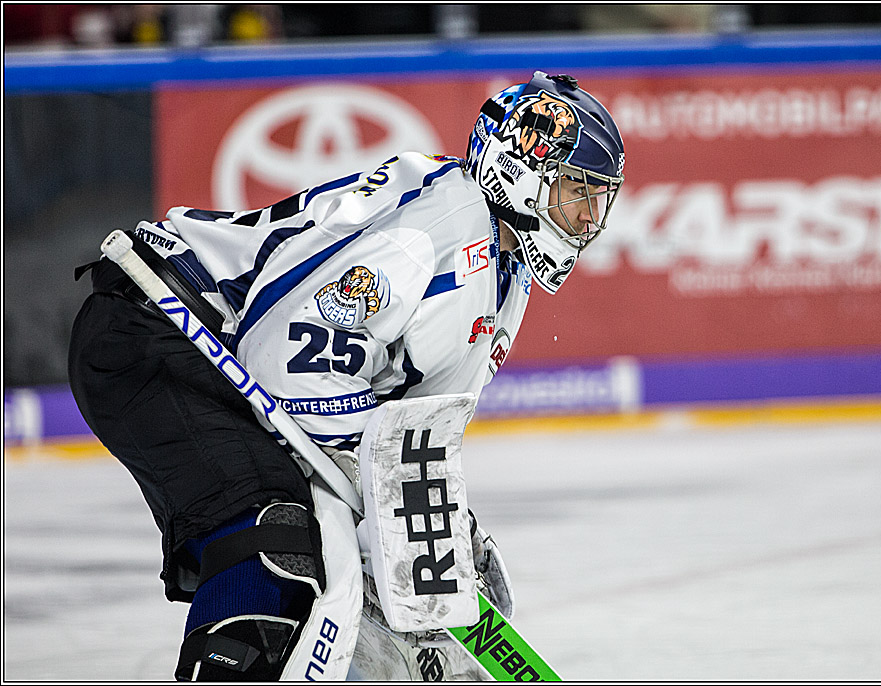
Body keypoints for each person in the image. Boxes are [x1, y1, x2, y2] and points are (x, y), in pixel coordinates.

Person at [68, 70, 625, 680]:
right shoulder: (437, 226)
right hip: (158, 327)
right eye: (578, 190)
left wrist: (431, 522)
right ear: (522, 167)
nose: (588, 216)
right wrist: (377, 491)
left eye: (601, 198)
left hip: (208, 359)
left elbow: (413, 427)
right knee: (273, 536)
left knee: (320, 552)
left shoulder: (505, 267)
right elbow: (277, 352)